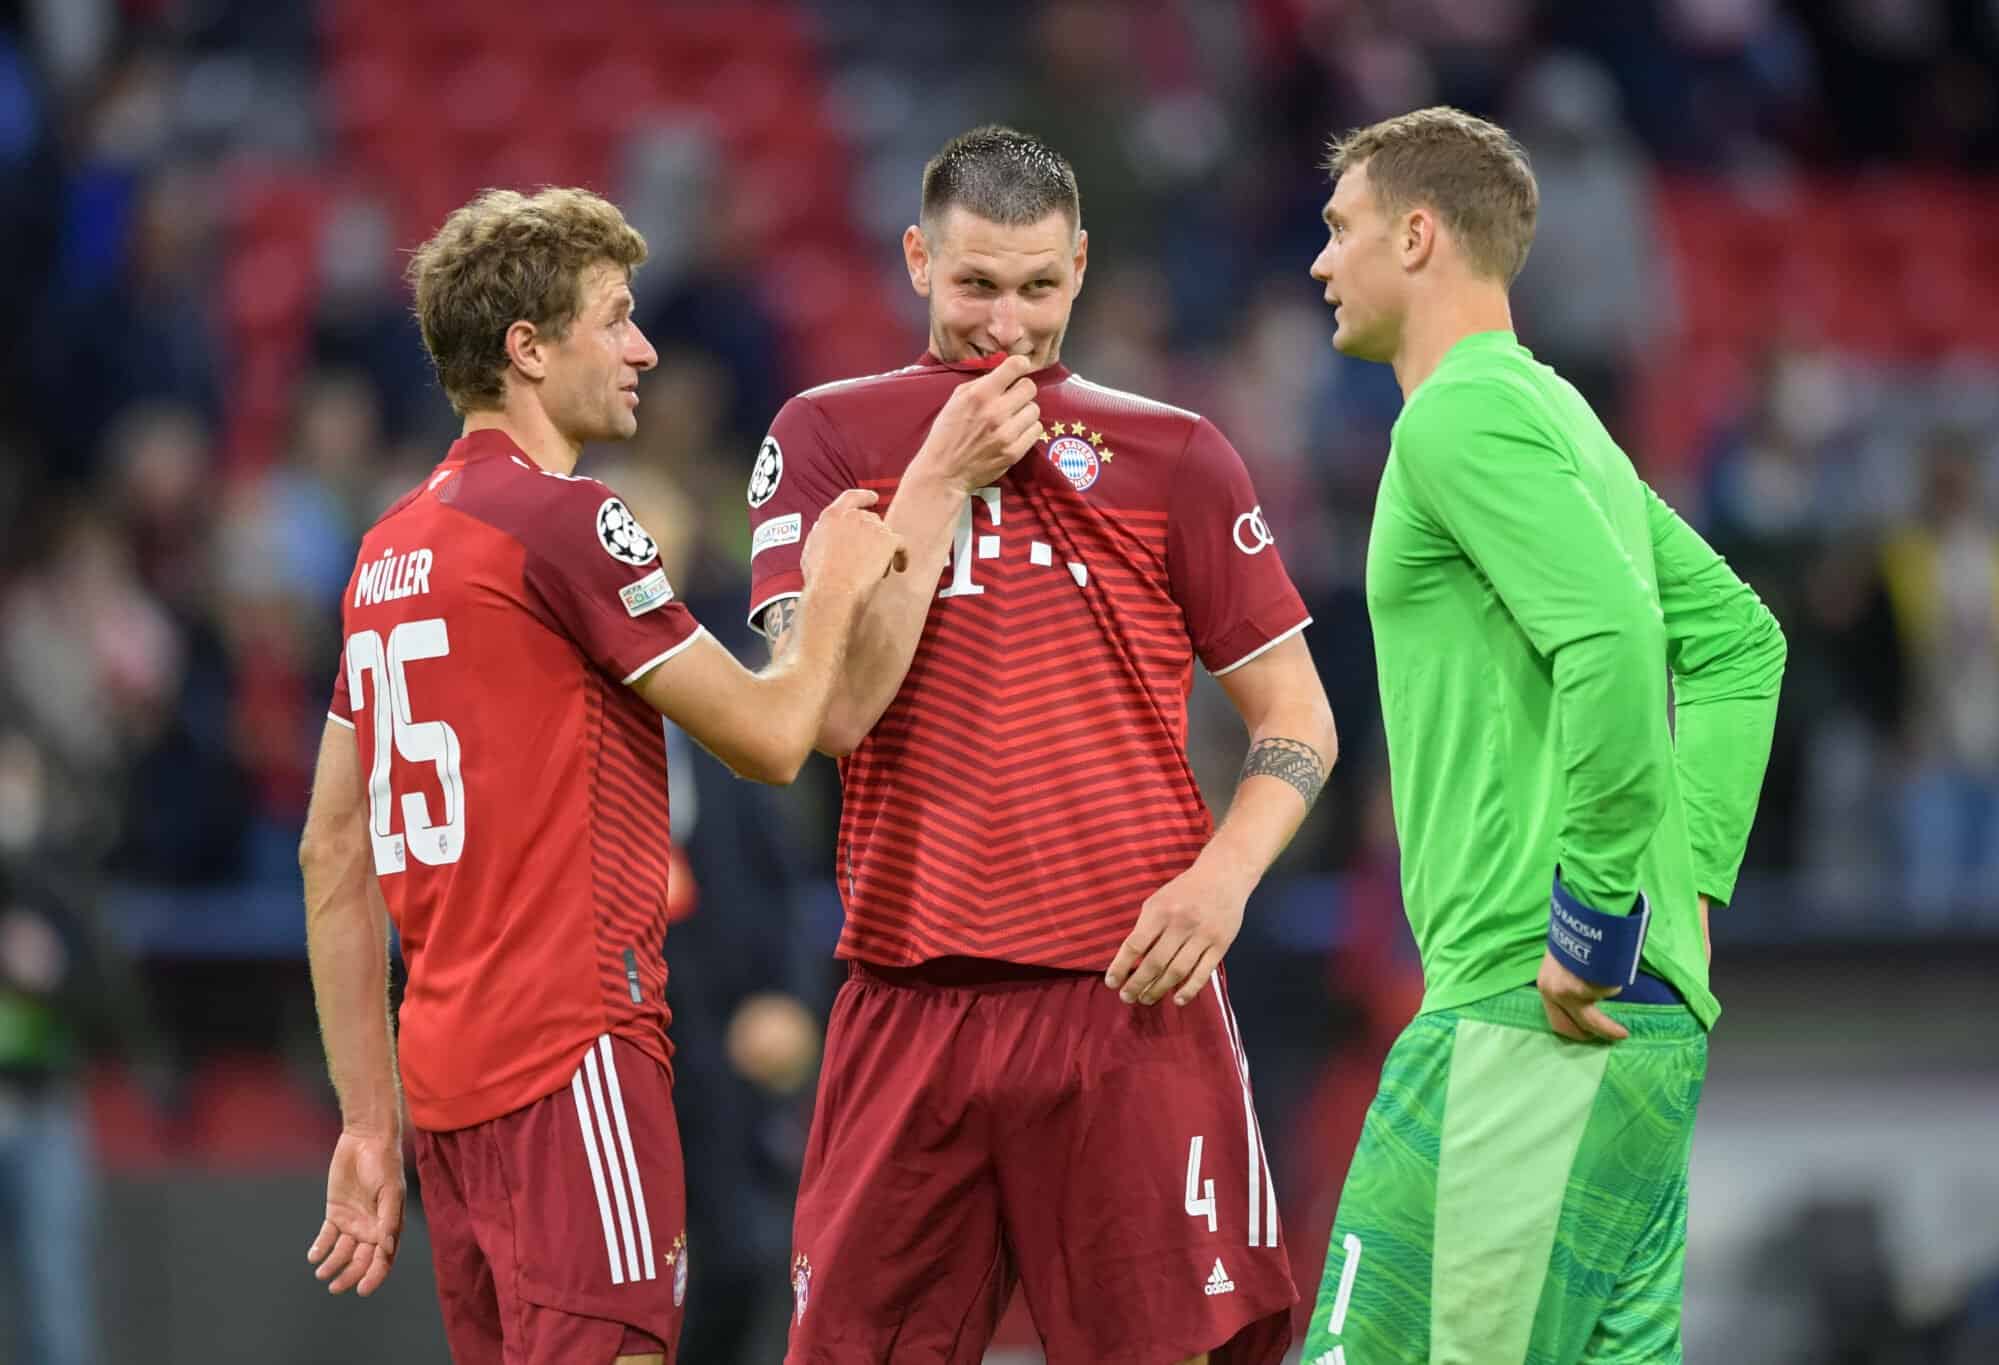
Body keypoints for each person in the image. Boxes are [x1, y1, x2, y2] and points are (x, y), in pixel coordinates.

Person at [747, 126, 1338, 1365]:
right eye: (973, 285)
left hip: (1127, 1001)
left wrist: (1222, 877)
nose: (1004, 325)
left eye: (1034, 287)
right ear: (917, 259)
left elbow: (1297, 718)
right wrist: (936, 483)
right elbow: (832, 714)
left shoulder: (1177, 452)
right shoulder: (823, 437)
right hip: (910, 996)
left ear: (1078, 266)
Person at [298, 186, 915, 1365]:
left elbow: (332, 853)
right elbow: (775, 737)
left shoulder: (385, 553)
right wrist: (834, 576)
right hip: (572, 1060)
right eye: (616, 318)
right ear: (529, 350)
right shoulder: (568, 521)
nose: (642, 348)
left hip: (445, 1094)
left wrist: (367, 1127)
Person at [1301, 107, 1787, 1363]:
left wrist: (1592, 915)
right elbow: (1740, 647)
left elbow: (1617, 642)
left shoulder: (1453, 419)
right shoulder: (1562, 417)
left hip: (1530, 1005)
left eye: (1339, 229)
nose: (1318, 261)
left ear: (1416, 236)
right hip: (1636, 1019)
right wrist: (1678, 891)